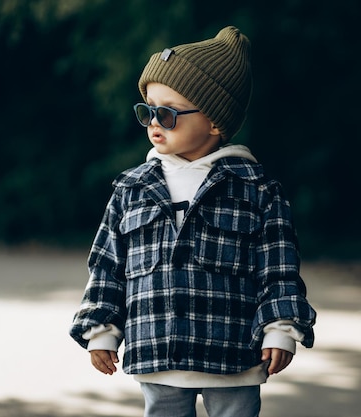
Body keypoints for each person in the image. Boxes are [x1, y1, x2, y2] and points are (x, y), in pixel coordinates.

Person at [69, 26, 316, 417]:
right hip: (157, 350)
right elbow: (107, 266)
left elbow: (279, 269)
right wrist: (101, 328)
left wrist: (281, 328)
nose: (154, 123)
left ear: (215, 121)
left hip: (233, 355)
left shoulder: (256, 189)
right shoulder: (131, 188)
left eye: (167, 114)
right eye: (148, 110)